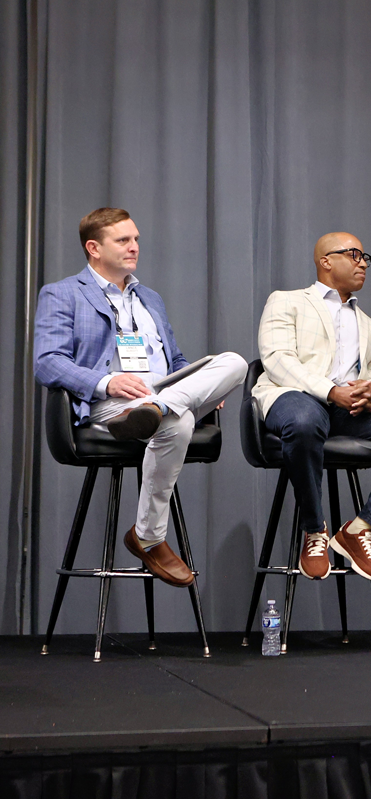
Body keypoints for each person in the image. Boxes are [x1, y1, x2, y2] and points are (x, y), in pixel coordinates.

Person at [33, 208, 248, 587]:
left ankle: (160, 408)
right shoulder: (62, 293)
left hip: (162, 394)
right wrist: (107, 382)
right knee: (179, 420)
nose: (134, 247)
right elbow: (47, 362)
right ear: (94, 248)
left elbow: (176, 360)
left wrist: (204, 385)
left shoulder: (149, 298)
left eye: (135, 240)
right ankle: (149, 536)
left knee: (234, 362)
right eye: (123, 240)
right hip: (111, 405)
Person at [253, 232, 371, 582]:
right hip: (295, 397)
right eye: (354, 255)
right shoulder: (286, 301)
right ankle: (314, 529)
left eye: (365, 257)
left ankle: (360, 528)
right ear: (326, 261)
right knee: (304, 421)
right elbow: (277, 359)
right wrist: (330, 391)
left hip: (349, 410)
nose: (362, 263)